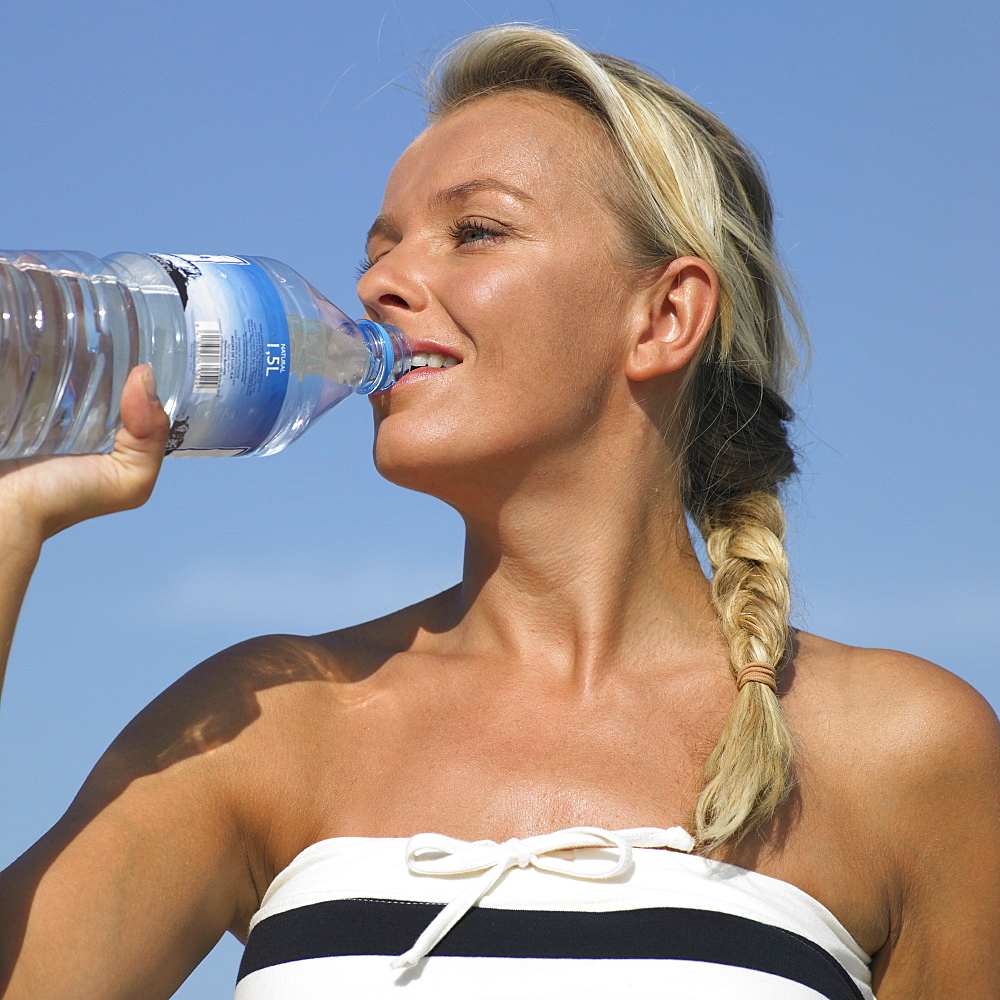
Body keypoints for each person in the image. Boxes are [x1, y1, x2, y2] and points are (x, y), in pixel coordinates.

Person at [1, 24, 998, 1000]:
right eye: (378, 249)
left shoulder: (898, 750)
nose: (376, 284)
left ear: (663, 317)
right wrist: (11, 526)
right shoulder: (265, 720)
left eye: (473, 231)